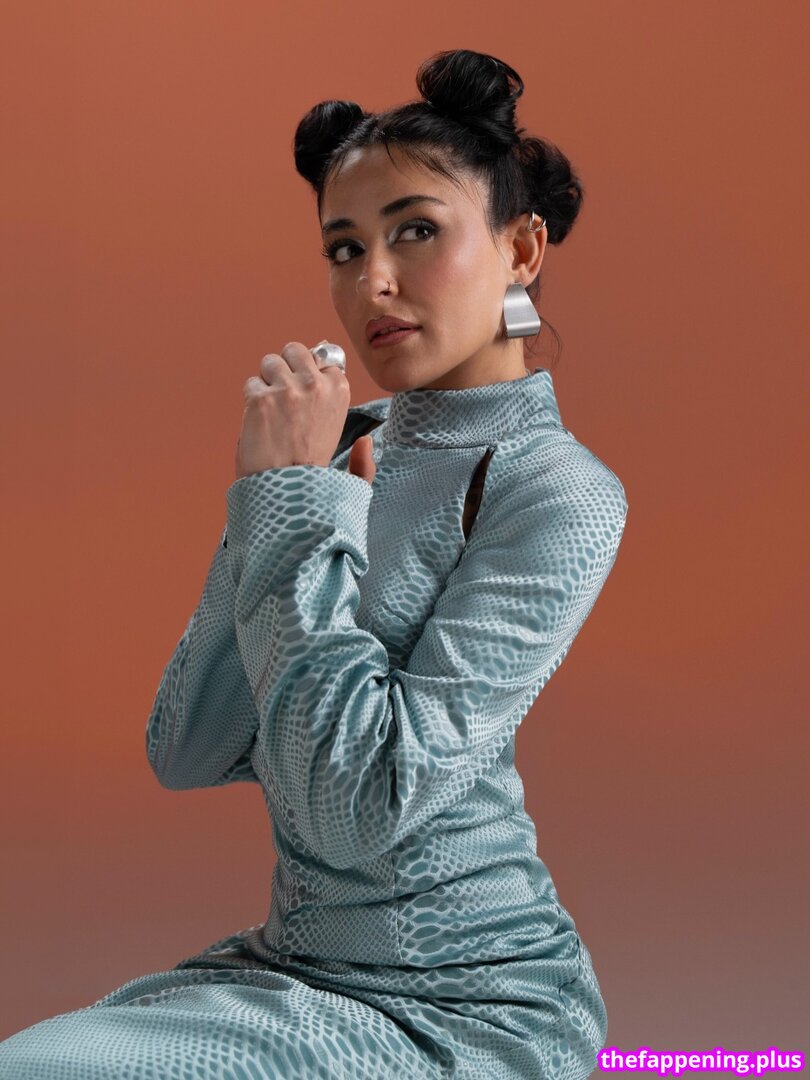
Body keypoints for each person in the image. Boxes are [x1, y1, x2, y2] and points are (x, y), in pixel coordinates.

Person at [0, 48, 628, 1080]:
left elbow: (358, 806)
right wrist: (275, 496)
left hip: (469, 1000)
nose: (371, 279)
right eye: (344, 246)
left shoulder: (558, 492)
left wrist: (294, 505)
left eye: (416, 230)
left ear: (521, 248)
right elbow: (188, 746)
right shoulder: (339, 450)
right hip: (296, 966)